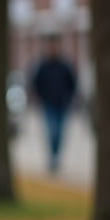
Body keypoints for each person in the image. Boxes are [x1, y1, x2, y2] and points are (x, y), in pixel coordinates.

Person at [31, 35, 77, 173]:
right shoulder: (42, 66)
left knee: (60, 133)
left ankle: (55, 157)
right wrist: (38, 97)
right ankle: (53, 158)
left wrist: (70, 97)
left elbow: (72, 83)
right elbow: (35, 83)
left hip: (62, 104)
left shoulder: (64, 65)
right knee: (52, 131)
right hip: (48, 104)